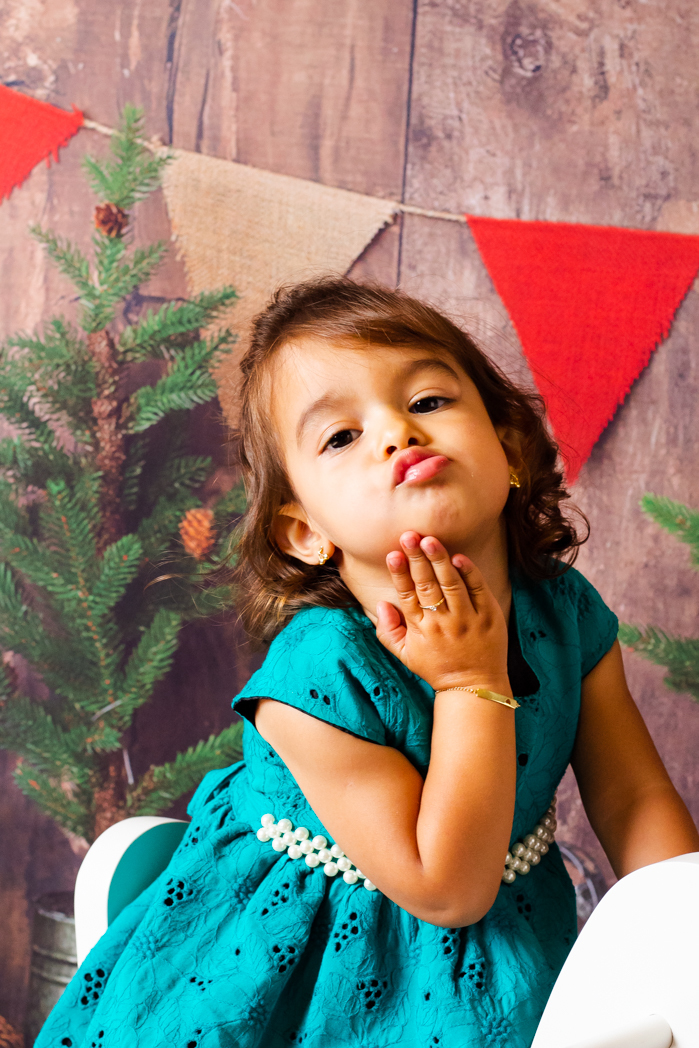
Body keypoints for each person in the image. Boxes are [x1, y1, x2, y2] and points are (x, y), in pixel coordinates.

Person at [38, 279, 699, 1048]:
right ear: (303, 531)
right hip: (309, 976)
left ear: (508, 449)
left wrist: (677, 930)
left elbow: (630, 796)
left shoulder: (565, 613)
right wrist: (468, 680)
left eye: (426, 402)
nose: (395, 433)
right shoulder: (314, 676)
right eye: (340, 437)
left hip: (506, 938)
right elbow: (445, 886)